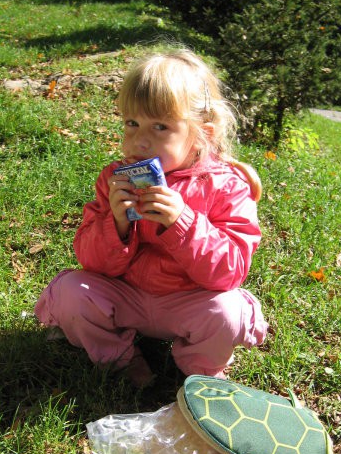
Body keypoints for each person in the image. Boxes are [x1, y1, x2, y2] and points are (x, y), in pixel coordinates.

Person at [34, 48, 268, 387]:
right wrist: (116, 224)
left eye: (160, 126)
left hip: (189, 301)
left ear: (205, 133)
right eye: (132, 123)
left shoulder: (226, 186)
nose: (140, 140)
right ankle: (119, 359)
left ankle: (200, 373)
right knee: (72, 291)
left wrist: (183, 223)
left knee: (227, 312)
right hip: (126, 295)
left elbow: (229, 272)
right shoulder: (114, 179)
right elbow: (91, 262)